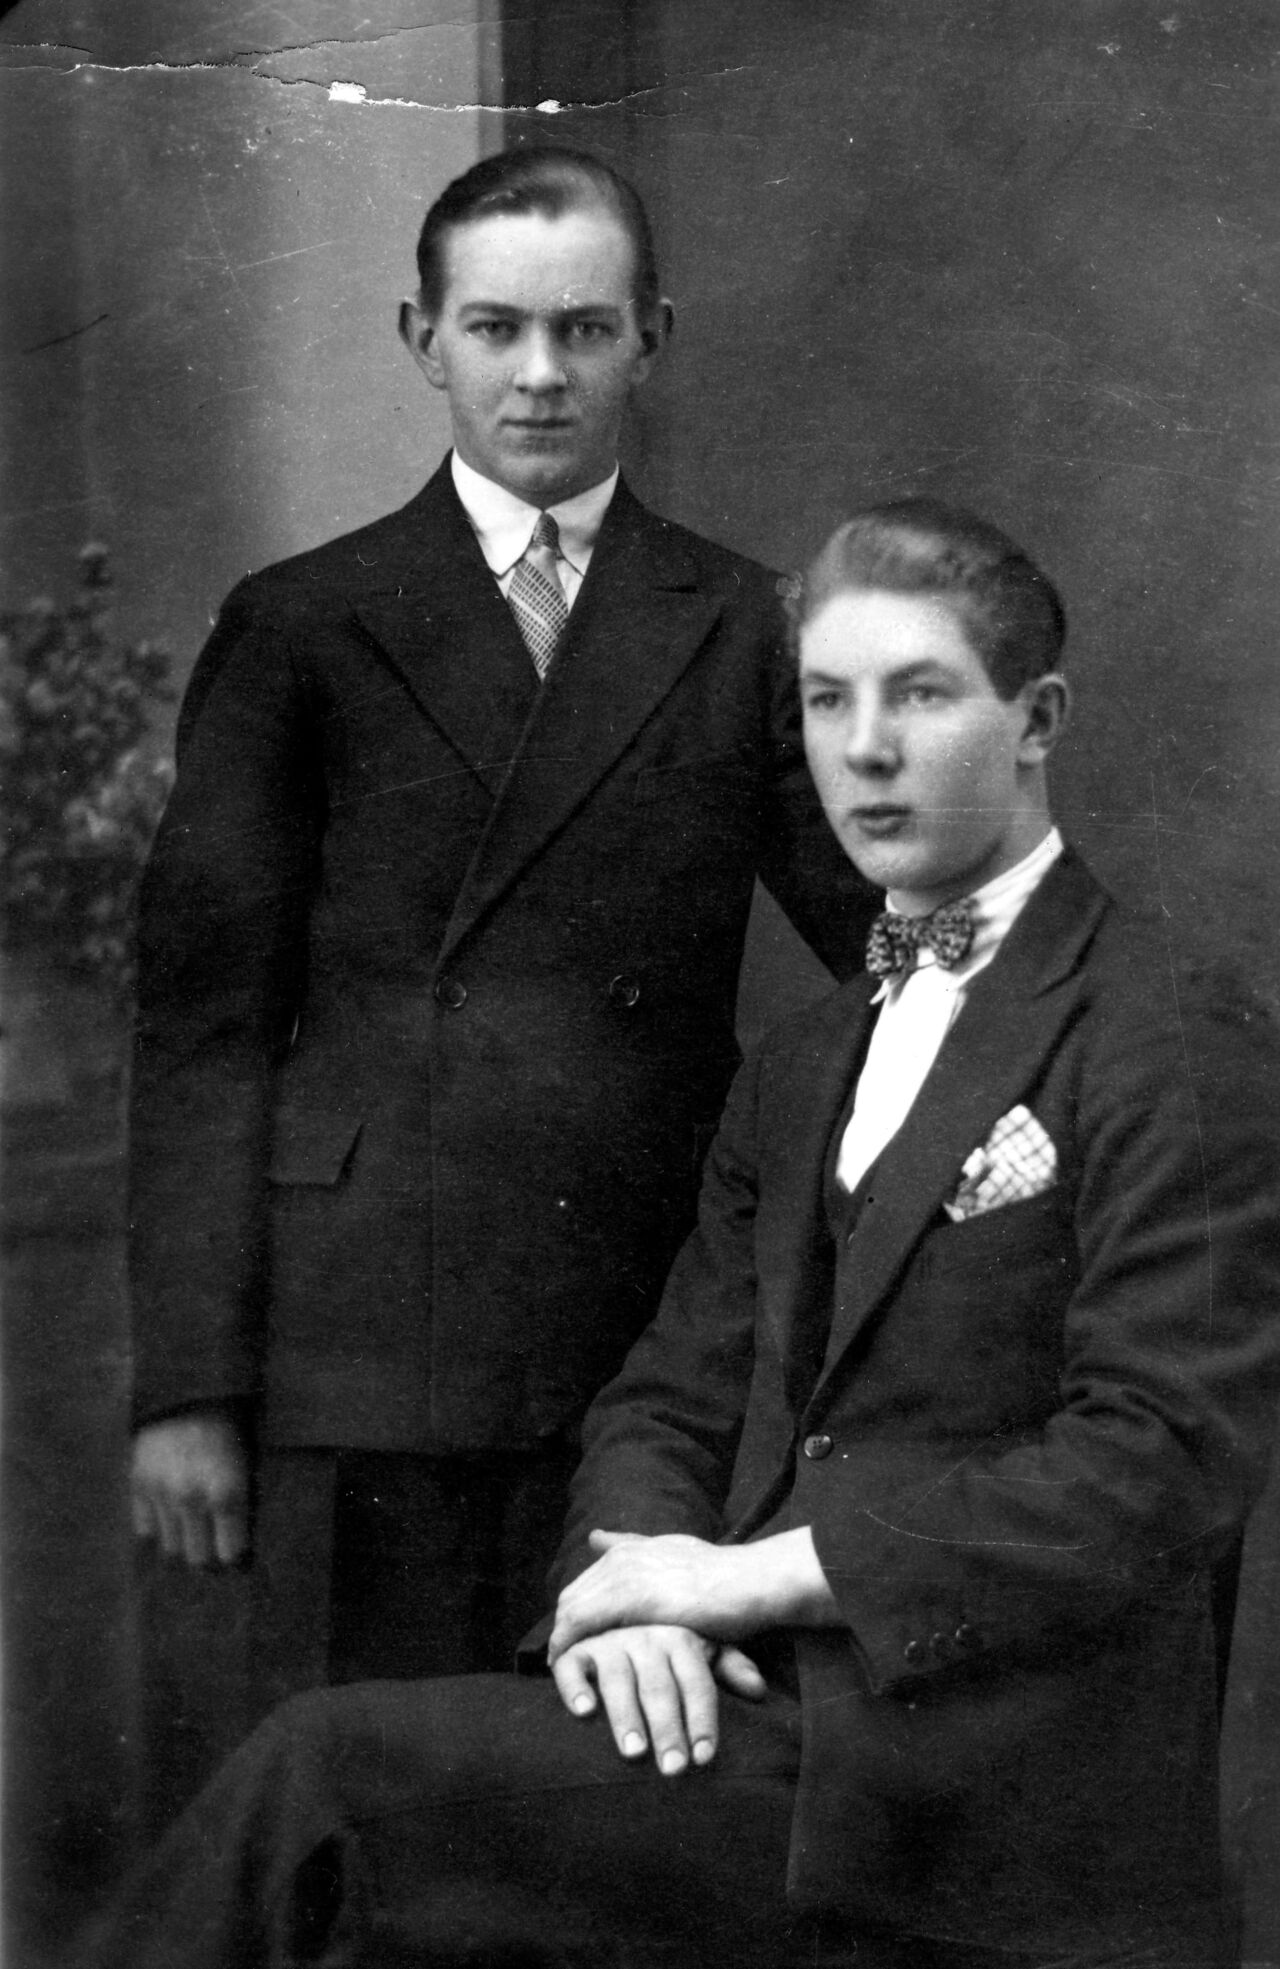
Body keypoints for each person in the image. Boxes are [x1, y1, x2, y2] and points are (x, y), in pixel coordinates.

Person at [93, 501, 1280, 1967]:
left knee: (323, 1788)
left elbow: (1164, 1458)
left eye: (920, 695)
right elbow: (667, 1393)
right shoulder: (809, 1056)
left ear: (1037, 720)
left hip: (989, 1788)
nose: (865, 750)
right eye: (827, 701)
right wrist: (635, 1600)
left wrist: (742, 1579)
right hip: (760, 1719)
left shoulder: (1167, 1028)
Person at [125, 142, 875, 1815]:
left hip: (640, 1329)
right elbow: (201, 1032)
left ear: (651, 340)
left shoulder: (742, 624)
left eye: (585, 330)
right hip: (359, 1340)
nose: (541, 374)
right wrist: (187, 1385)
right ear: (424, 339)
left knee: (609, 1814)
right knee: (370, 1802)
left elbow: (878, 937)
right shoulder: (304, 622)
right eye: (496, 328)